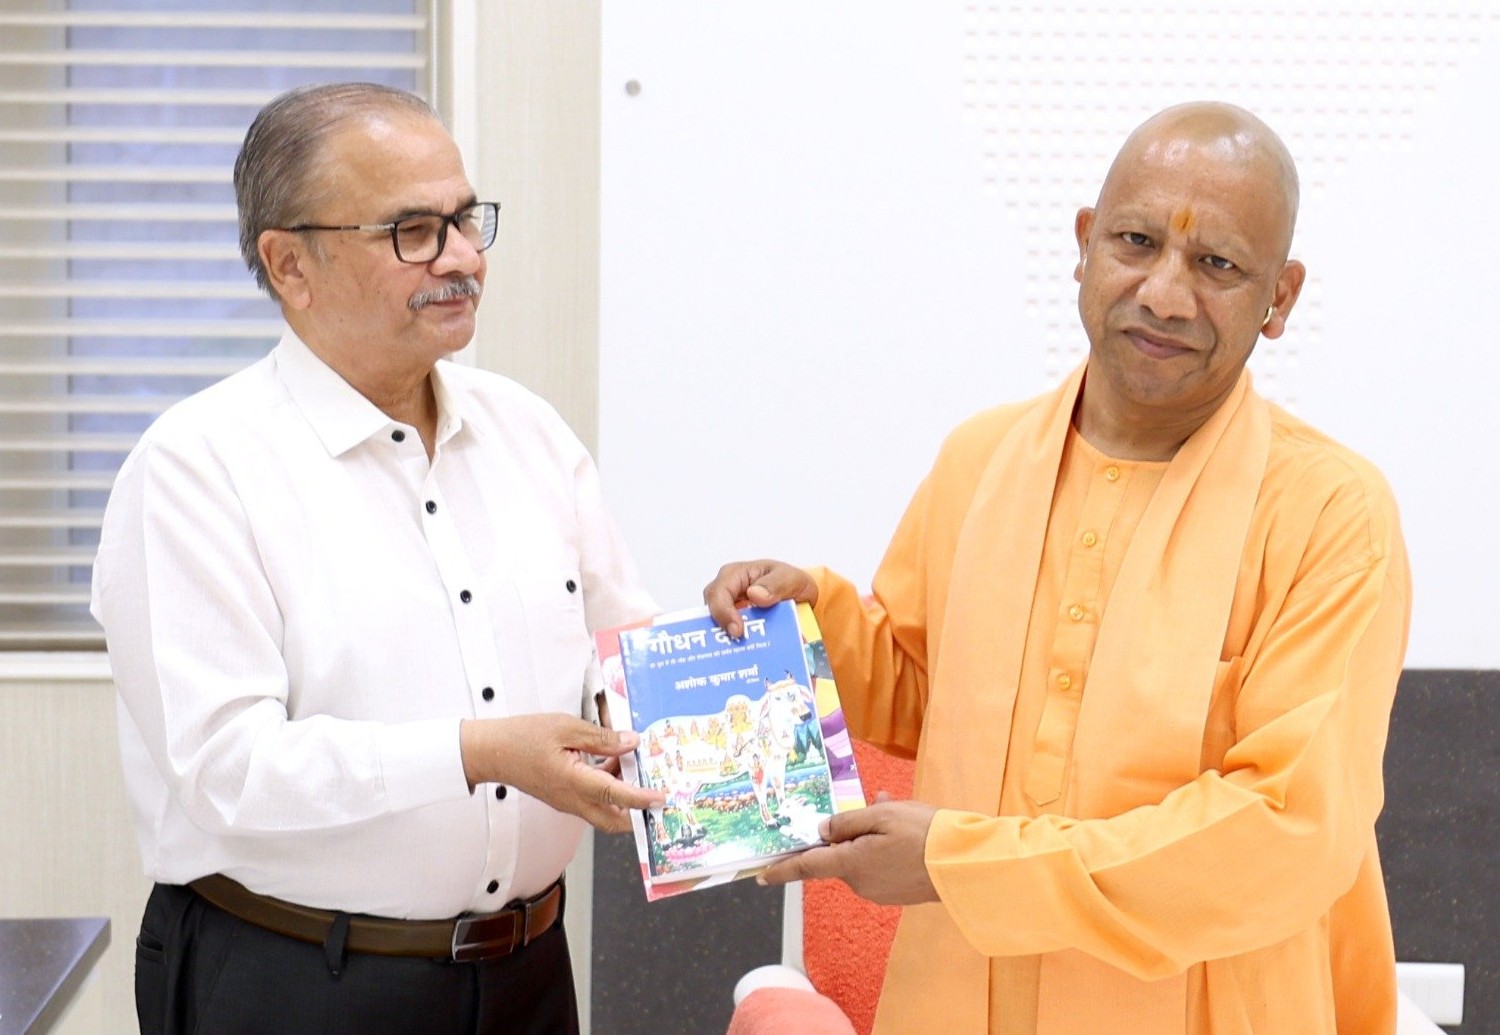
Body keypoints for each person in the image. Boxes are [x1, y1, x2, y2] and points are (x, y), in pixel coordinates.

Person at [704, 101, 1410, 1034]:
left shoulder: (1329, 513)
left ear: (1280, 298)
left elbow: (1286, 829)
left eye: (1217, 264)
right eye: (1137, 241)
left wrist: (965, 862)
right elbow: (923, 689)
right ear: (1084, 245)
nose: (1165, 294)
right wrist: (807, 626)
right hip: (957, 999)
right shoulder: (982, 459)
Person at [91, 82, 661, 1035]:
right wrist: (478, 752)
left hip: (528, 975)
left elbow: (621, 665)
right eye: (413, 231)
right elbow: (228, 768)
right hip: (298, 978)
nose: (463, 258)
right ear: (290, 264)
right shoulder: (195, 468)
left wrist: (736, 660)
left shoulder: (529, 432)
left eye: (466, 220)